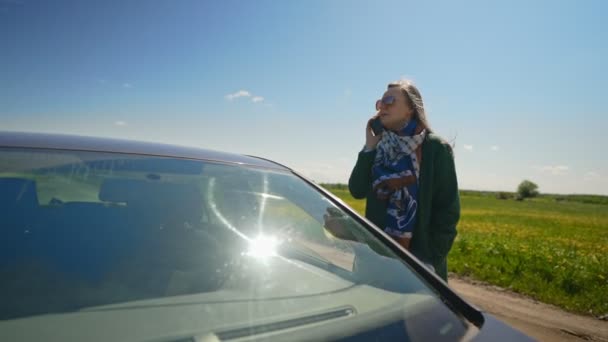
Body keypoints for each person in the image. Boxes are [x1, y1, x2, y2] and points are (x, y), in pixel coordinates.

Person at [347, 79, 460, 281]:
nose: (383, 107)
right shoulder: (379, 147)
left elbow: (447, 211)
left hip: (419, 265)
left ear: (410, 109)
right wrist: (369, 147)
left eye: (389, 101)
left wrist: (431, 259)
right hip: (375, 260)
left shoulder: (435, 149)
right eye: (379, 103)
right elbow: (357, 190)